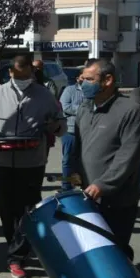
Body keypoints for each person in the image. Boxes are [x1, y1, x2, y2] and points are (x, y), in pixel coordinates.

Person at [71, 59, 140, 278]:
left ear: (107, 81)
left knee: (113, 255)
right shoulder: (84, 109)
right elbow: (79, 149)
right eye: (81, 78)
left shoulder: (131, 111)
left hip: (117, 199)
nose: (82, 83)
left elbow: (129, 157)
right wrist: (76, 177)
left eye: (88, 79)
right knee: (91, 254)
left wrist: (103, 184)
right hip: (87, 198)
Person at [0, 54, 65, 278]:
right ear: (10, 73)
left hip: (32, 161)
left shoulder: (44, 95)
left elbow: (60, 124)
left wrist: (54, 126)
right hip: (2, 161)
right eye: (18, 75)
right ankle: (15, 246)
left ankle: (16, 257)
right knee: (7, 209)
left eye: (27, 75)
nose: (23, 79)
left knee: (28, 209)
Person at [59, 62, 92, 192]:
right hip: (70, 130)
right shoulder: (69, 90)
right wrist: (84, 109)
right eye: (83, 78)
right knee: (68, 160)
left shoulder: (91, 91)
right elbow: (65, 107)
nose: (86, 81)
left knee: (84, 159)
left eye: (88, 78)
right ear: (78, 78)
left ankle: (82, 183)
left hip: (87, 131)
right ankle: (66, 186)